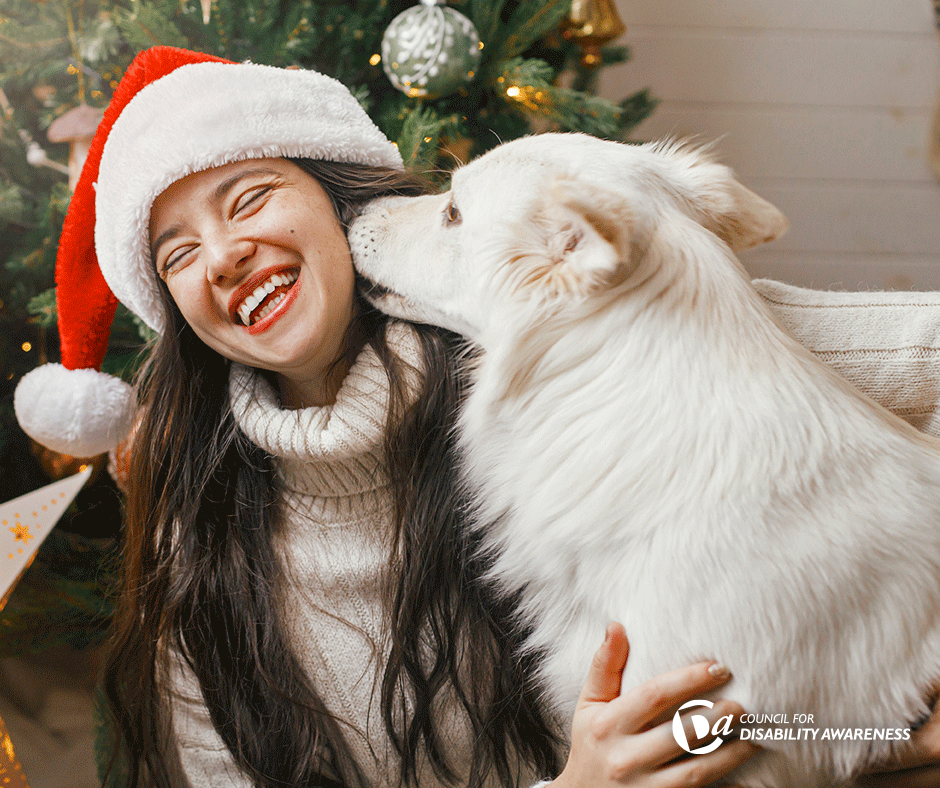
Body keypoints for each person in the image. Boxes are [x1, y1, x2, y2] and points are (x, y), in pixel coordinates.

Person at [12, 46, 940, 788]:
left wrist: (880, 734)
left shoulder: (580, 324)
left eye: (249, 197)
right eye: (177, 253)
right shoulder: (198, 519)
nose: (221, 254)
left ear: (334, 198)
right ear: (174, 306)